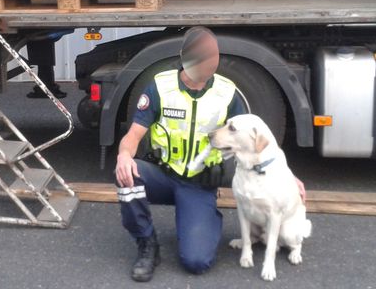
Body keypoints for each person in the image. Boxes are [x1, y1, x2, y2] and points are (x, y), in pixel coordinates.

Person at [115, 27, 305, 282]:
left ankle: (204, 218)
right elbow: (133, 136)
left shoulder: (227, 94)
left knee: (196, 262)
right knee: (128, 175)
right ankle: (147, 245)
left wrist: (288, 177)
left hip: (199, 182)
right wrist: (124, 156)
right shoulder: (160, 87)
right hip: (162, 173)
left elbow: (262, 139)